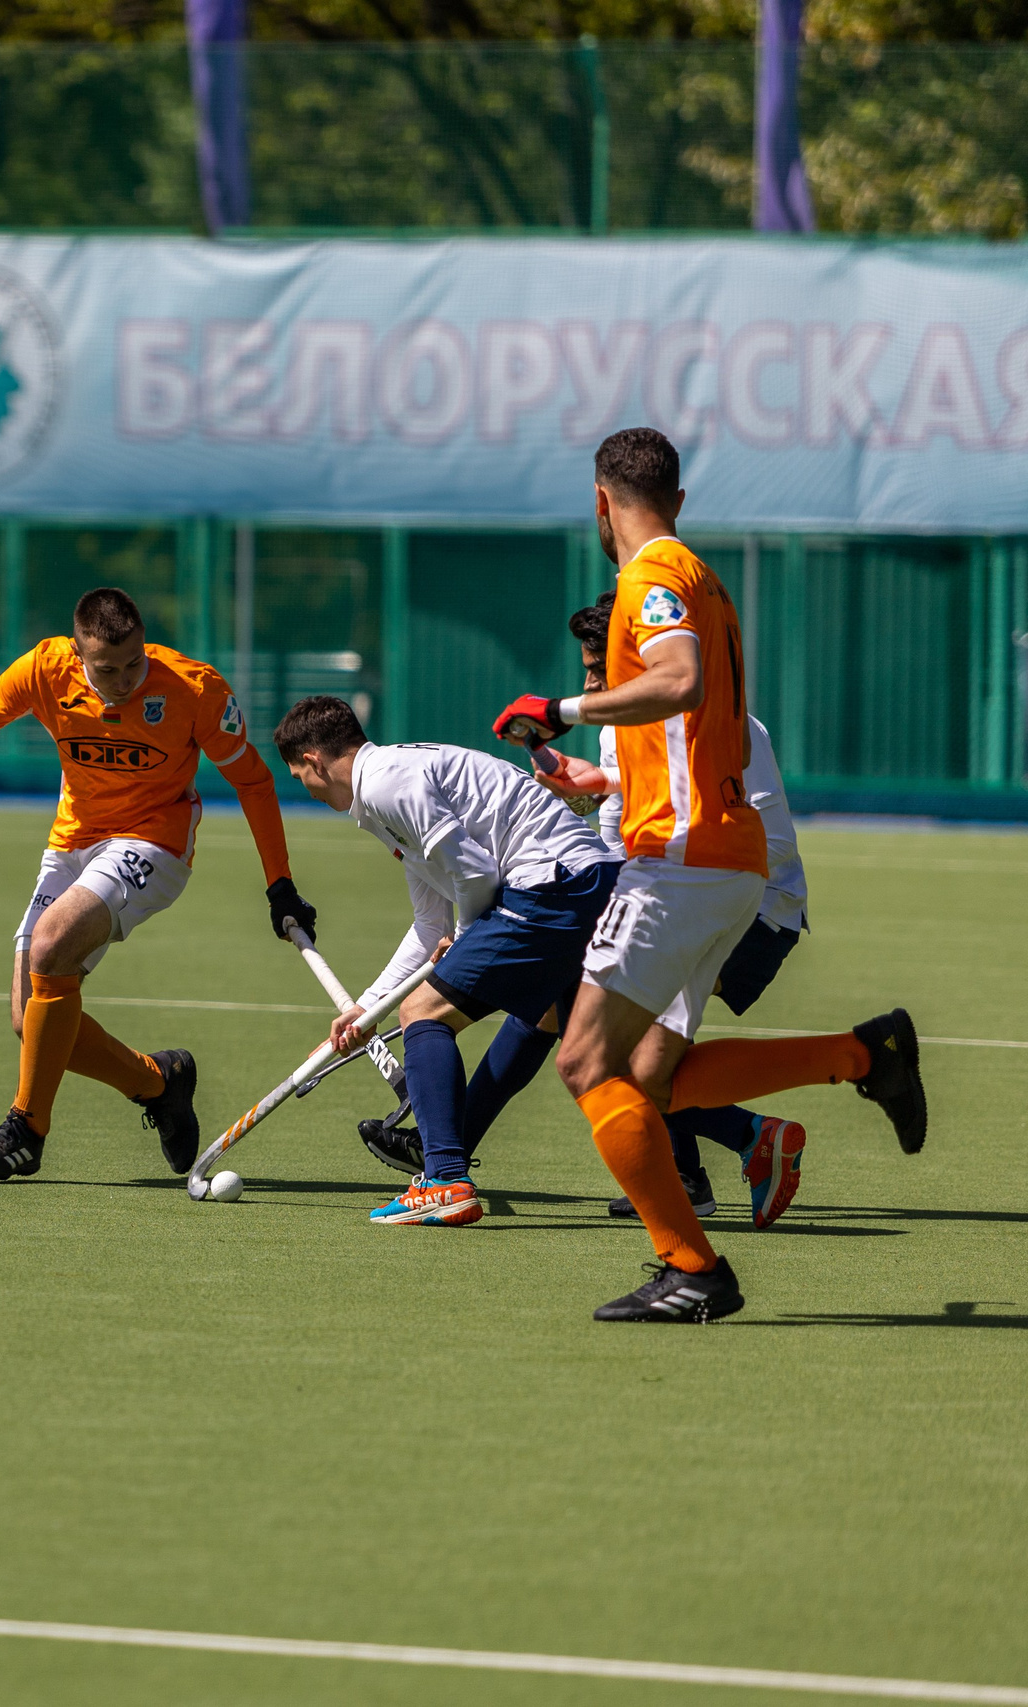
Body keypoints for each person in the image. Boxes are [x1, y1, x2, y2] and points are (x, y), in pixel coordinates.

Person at [494, 428, 924, 1323]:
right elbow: (688, 728)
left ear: (600, 501)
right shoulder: (702, 577)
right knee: (653, 1077)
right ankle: (863, 1054)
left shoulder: (651, 575)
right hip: (725, 859)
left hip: (681, 862)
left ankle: (692, 1265)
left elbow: (680, 680)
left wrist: (564, 708)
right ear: (679, 500)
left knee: (583, 1059)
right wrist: (605, 779)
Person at [0, 586, 315, 1181]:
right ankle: (158, 1082)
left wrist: (280, 883)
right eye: (106, 669)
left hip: (154, 842)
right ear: (77, 652)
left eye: (134, 663)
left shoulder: (194, 689)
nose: (124, 681)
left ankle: (26, 1129)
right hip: (72, 841)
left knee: (49, 946)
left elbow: (252, 781)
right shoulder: (44, 670)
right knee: (30, 1019)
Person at [275, 697, 619, 1228]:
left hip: (555, 884)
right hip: (587, 882)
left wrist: (463, 939)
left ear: (314, 760)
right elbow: (428, 925)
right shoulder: (384, 791)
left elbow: (476, 874)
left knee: (423, 1012)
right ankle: (746, 1139)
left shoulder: (386, 784)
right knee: (579, 1044)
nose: (308, 790)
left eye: (301, 777)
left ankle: (444, 1178)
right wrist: (367, 1008)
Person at [534, 599, 816, 1229]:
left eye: (599, 669)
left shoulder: (728, 723)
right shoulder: (615, 731)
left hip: (757, 909)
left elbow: (769, 844)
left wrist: (663, 856)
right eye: (587, 670)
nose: (588, 686)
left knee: (610, 1043)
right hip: (681, 895)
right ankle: (708, 1167)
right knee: (593, 1029)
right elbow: (616, 840)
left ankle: (748, 1138)